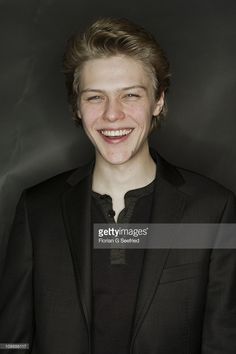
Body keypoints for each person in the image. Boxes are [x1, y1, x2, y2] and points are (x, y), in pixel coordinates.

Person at [0, 17, 236, 354]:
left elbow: (224, 341)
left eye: (130, 95)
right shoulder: (37, 209)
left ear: (158, 101)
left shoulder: (214, 210)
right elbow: (11, 342)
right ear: (77, 107)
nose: (113, 115)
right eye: (95, 97)